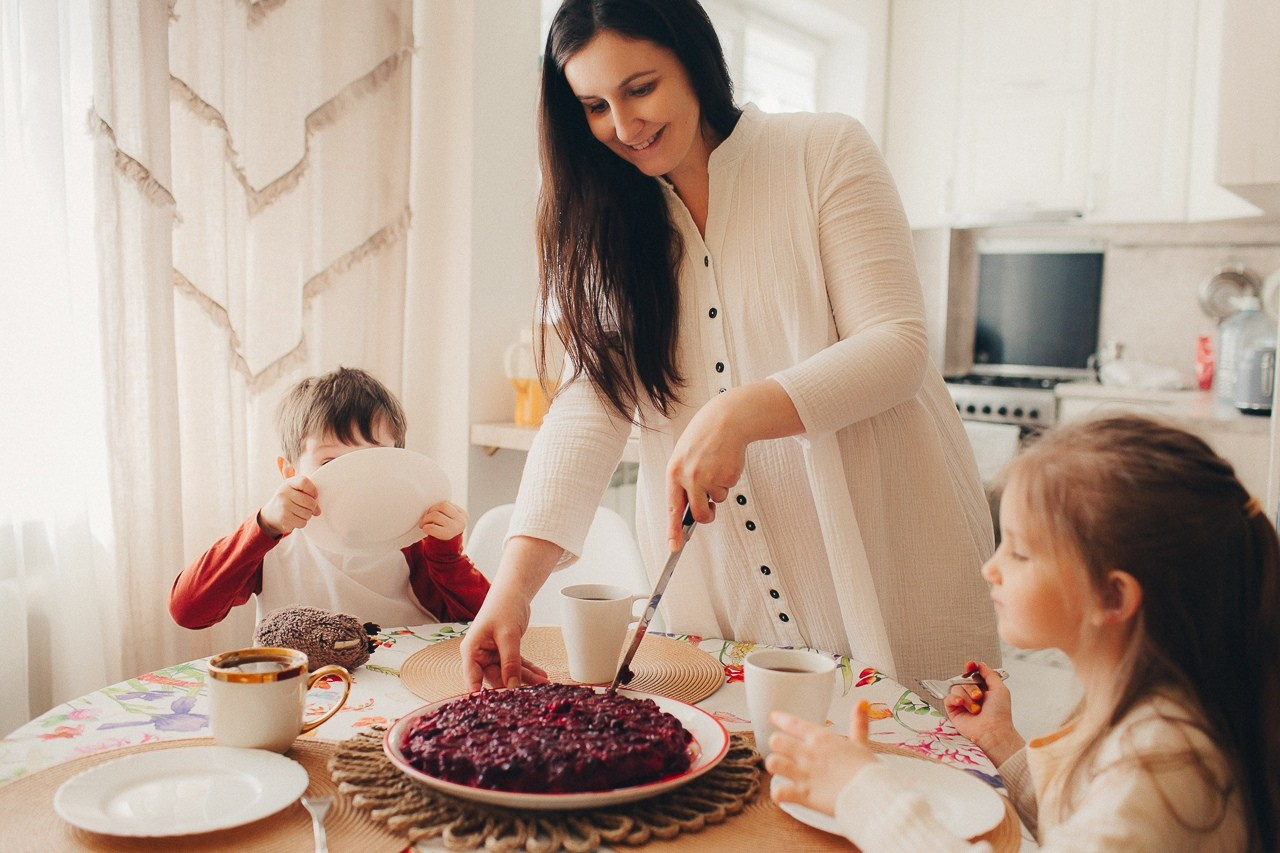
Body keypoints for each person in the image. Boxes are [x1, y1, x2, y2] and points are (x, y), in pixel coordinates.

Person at [460, 0, 998, 692]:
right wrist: (513, 588)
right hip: (730, 598)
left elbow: (896, 345)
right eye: (594, 105)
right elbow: (591, 402)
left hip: (885, 563)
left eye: (640, 88)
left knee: (922, 786)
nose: (623, 128)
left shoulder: (822, 152)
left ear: (693, 59)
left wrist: (739, 413)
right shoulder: (611, 223)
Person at [767, 415, 1280, 852]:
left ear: (1112, 597)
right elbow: (1080, 824)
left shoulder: (1164, 759)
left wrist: (863, 792)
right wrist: (1001, 743)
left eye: (1018, 551)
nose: (990, 568)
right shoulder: (1152, 712)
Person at [169, 366, 491, 631]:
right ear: (290, 472)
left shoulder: (413, 541)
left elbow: (481, 623)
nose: (357, 478)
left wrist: (446, 556)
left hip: (406, 689)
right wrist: (263, 526)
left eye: (374, 459)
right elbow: (188, 610)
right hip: (306, 699)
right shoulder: (272, 544)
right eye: (331, 463)